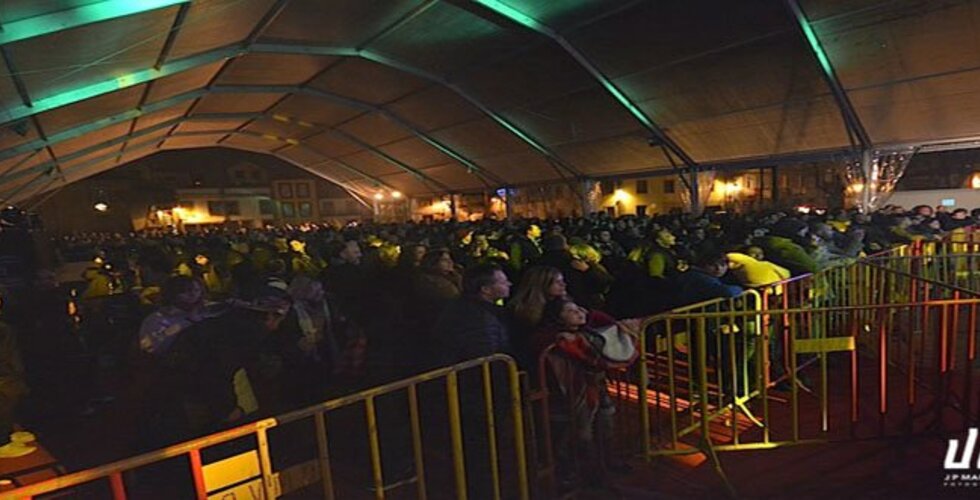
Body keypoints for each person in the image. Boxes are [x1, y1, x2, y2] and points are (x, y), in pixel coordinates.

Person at [530, 297, 637, 492]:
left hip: (594, 387)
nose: (579, 312)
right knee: (580, 433)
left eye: (579, 308)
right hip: (573, 392)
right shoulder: (555, 339)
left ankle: (605, 463)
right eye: (571, 311)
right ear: (557, 317)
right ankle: (582, 475)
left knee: (604, 423)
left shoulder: (585, 333)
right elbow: (591, 357)